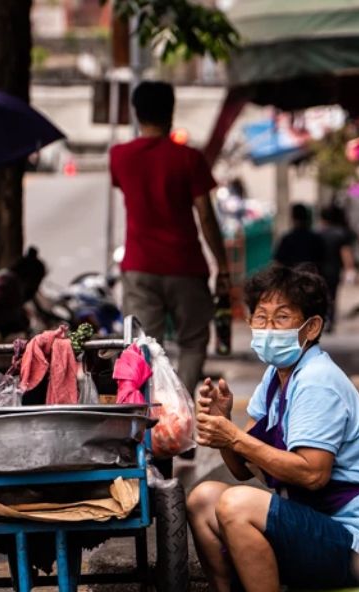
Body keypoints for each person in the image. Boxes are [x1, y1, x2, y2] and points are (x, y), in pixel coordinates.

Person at [187, 265, 359, 592]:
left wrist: (234, 437)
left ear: (312, 328)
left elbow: (312, 473)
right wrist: (226, 428)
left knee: (236, 506)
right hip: (316, 526)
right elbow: (244, 468)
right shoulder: (277, 375)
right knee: (204, 499)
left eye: (282, 318)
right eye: (261, 318)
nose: (269, 329)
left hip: (358, 542)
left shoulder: (317, 381)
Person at [111, 81, 233, 395]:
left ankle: (152, 418)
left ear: (137, 113)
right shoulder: (189, 158)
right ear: (171, 111)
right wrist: (222, 265)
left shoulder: (120, 157)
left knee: (143, 347)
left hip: (139, 267)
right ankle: (183, 406)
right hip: (185, 265)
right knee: (193, 342)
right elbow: (205, 215)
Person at [316, 204, 358, 331]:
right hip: (334, 269)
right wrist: (350, 269)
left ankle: (321, 319)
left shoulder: (317, 233)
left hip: (319, 269)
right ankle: (330, 320)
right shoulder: (340, 234)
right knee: (332, 295)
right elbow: (345, 253)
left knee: (319, 295)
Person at [273, 203, 325, 270]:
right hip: (310, 276)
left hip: (293, 277)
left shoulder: (288, 239)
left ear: (293, 217)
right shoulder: (315, 238)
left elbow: (279, 261)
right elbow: (321, 260)